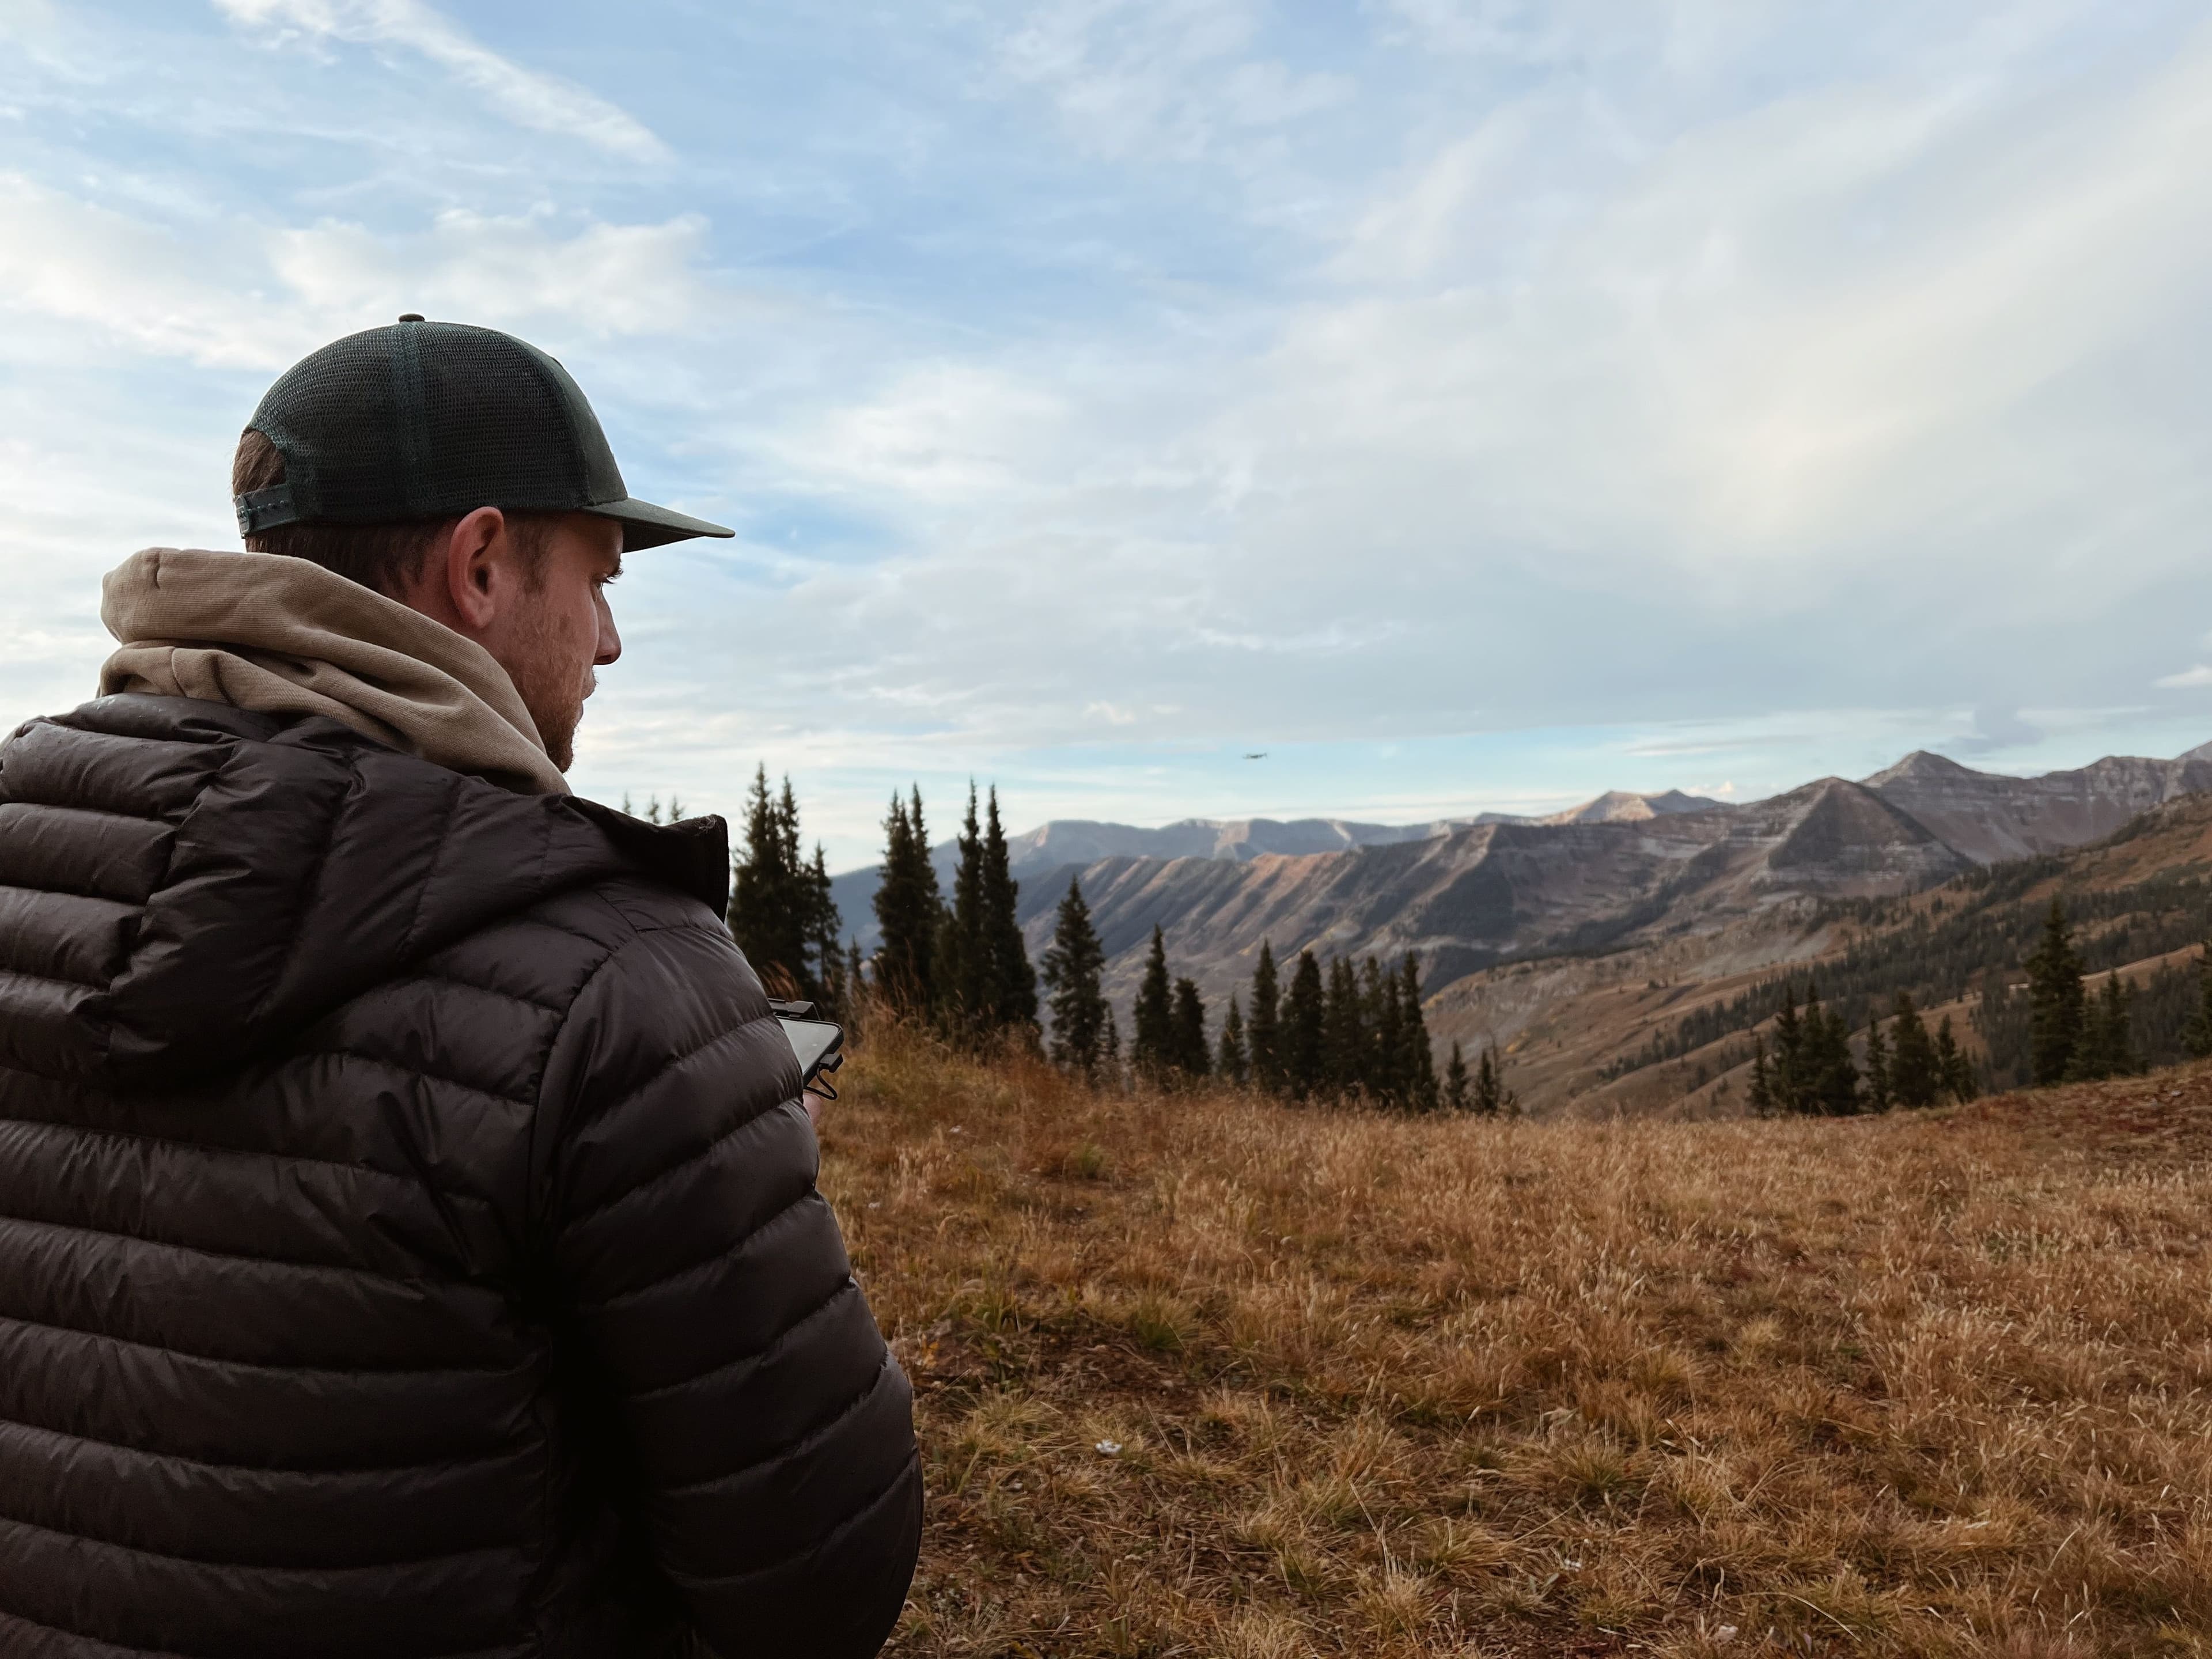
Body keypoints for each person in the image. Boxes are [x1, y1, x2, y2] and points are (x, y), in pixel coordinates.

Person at [0, 319, 921, 1657]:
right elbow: (820, 1581)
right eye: (600, 580)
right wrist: (736, 1185)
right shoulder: (623, 980)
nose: (608, 642)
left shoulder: (28, 861)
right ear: (481, 565)